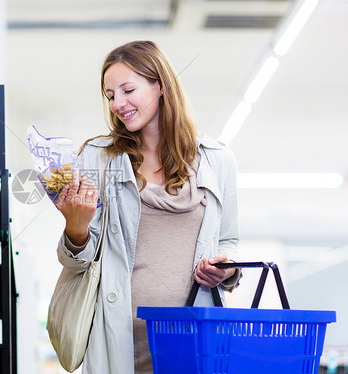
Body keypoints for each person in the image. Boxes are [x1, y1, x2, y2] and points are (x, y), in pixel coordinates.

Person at [53, 40, 241, 373]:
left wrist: (225, 270)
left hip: (194, 343)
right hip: (118, 341)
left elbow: (228, 242)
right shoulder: (98, 158)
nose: (117, 104)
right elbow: (79, 261)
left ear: (161, 86)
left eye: (128, 90)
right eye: (110, 95)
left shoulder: (217, 159)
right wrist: (76, 226)